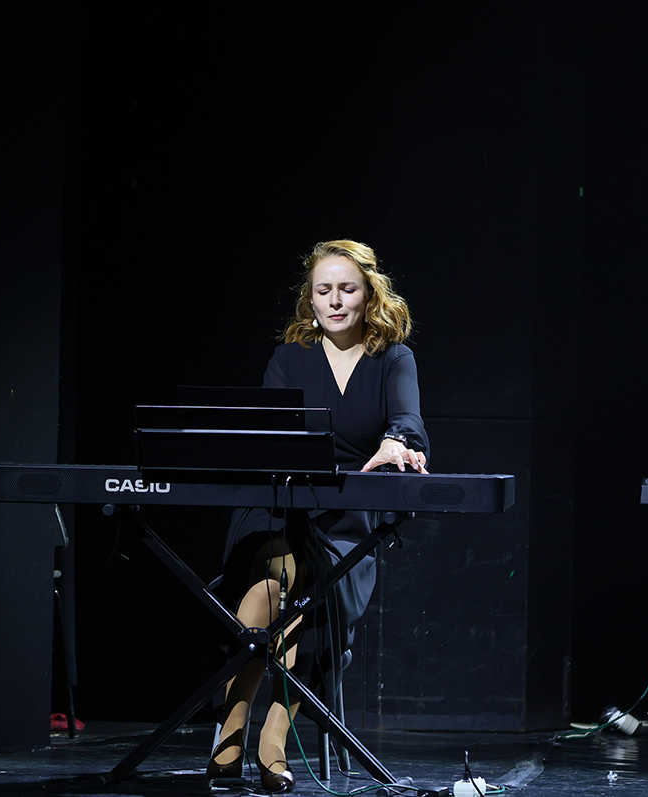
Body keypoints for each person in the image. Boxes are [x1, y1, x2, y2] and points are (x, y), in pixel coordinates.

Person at [207, 239, 429, 792]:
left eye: (346, 289)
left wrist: (398, 442)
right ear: (309, 298)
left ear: (369, 295)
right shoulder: (290, 357)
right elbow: (268, 437)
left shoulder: (393, 358)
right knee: (276, 580)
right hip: (278, 507)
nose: (334, 301)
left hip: (346, 521)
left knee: (305, 587)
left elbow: (408, 421)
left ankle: (256, 739)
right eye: (323, 290)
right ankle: (245, 734)